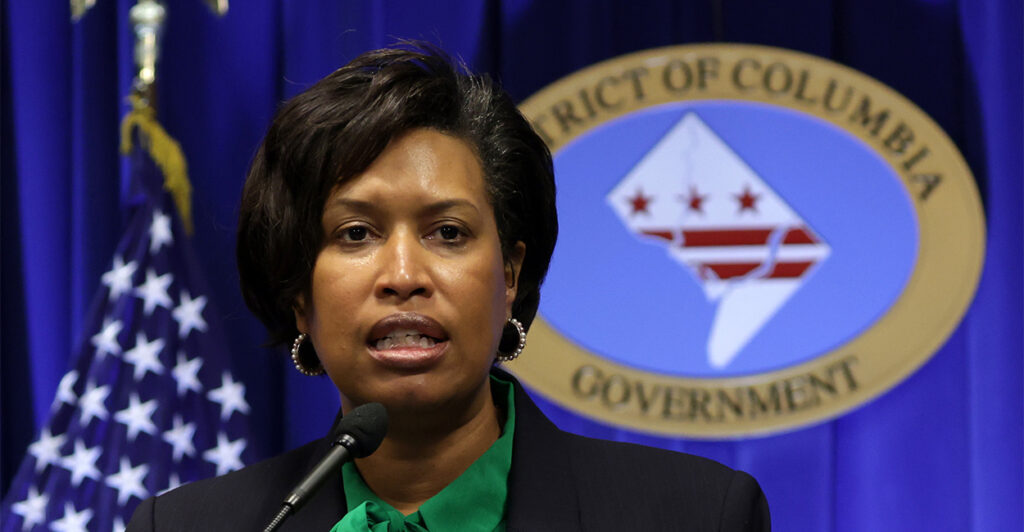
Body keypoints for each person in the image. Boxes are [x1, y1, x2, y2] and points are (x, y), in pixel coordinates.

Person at [127, 44, 770, 531]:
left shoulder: (695, 515)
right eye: (355, 233)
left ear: (510, 278)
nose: (404, 277)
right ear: (300, 295)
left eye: (449, 233)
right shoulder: (194, 526)